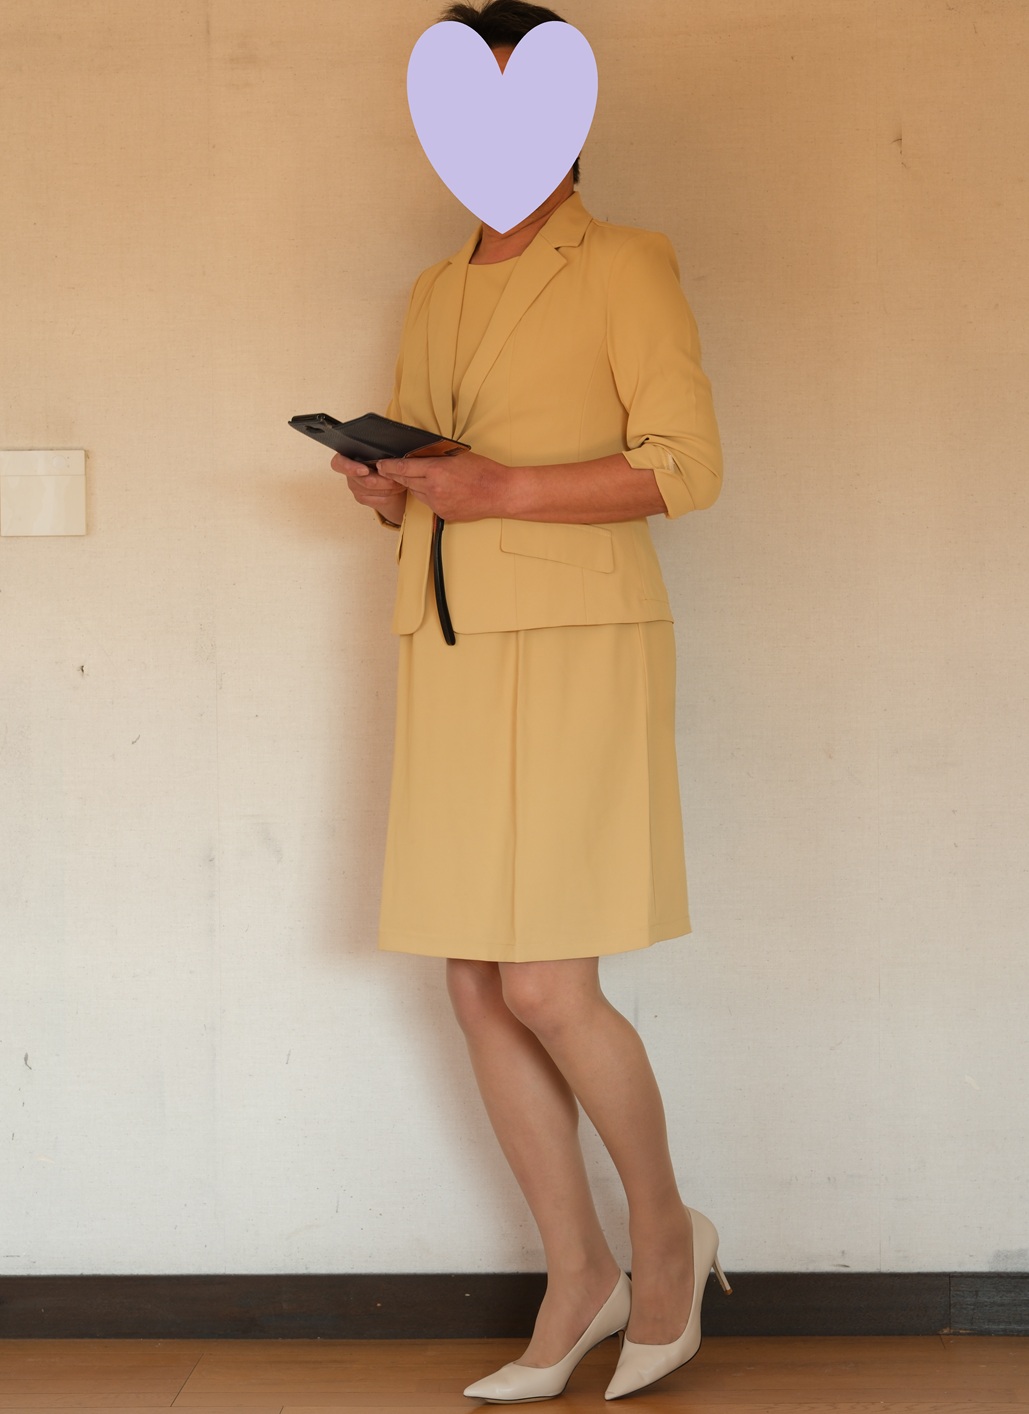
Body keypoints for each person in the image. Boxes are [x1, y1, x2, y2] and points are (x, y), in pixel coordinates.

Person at [332, 0, 728, 1400]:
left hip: (576, 646)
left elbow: (685, 464)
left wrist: (497, 485)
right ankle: (579, 1273)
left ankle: (666, 1244)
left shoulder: (625, 262)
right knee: (474, 981)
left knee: (550, 982)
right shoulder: (433, 288)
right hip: (451, 645)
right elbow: (443, 479)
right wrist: (391, 487)